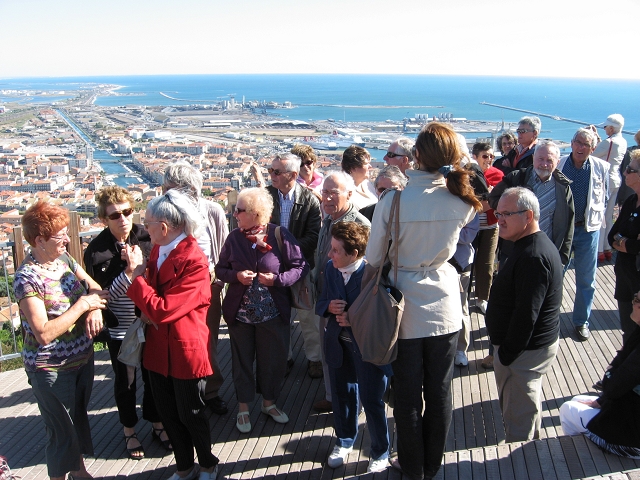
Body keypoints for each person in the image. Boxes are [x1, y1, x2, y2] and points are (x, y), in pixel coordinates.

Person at [367, 122, 481, 479]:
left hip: (404, 306)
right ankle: (432, 465)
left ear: (415, 155)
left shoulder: (393, 200)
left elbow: (373, 257)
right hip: (445, 303)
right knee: (440, 390)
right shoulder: (461, 201)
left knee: (407, 393)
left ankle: (412, 465)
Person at [126, 189, 219, 480]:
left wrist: (137, 277)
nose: (145, 228)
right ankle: (184, 467)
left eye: (148, 222)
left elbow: (163, 309)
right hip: (159, 348)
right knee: (168, 414)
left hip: (183, 349)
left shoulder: (194, 261)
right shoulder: (160, 249)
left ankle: (208, 464)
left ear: (164, 227)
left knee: (191, 414)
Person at [14, 201, 109, 480]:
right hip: (51, 368)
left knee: (76, 421)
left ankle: (79, 472)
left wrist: (93, 308)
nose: (67, 240)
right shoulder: (27, 278)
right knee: (60, 432)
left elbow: (94, 287)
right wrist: (82, 306)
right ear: (39, 240)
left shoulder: (63, 260)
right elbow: (43, 332)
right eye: (60, 236)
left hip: (81, 359)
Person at [83, 186, 169, 459]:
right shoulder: (97, 252)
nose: (123, 219)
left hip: (148, 321)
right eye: (115, 215)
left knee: (154, 376)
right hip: (120, 327)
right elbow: (104, 295)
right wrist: (131, 272)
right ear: (104, 219)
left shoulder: (147, 237)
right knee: (126, 382)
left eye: (127, 211)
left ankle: (156, 422)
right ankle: (129, 429)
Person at [215, 188, 308, 433]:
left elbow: (300, 266)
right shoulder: (234, 238)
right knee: (242, 362)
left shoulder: (279, 235)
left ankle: (269, 404)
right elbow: (220, 269)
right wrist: (236, 276)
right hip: (240, 316)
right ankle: (243, 408)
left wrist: (277, 280)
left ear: (256, 213)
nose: (234, 214)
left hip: (273, 314)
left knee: (273, 362)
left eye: (239, 210)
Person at [486, 187, 563, 442]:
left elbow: (527, 314)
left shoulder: (533, 256)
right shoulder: (527, 246)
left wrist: (507, 355)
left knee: (519, 423)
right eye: (498, 213)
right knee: (526, 413)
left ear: (528, 216)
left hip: (523, 354)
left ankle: (522, 461)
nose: (499, 220)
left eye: (506, 214)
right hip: (522, 351)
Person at [317, 222, 391, 473]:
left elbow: (383, 314)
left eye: (336, 250)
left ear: (354, 254)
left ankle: (380, 451)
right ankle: (344, 440)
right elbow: (321, 301)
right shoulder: (331, 269)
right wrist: (329, 307)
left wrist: (354, 319)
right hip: (338, 344)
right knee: (342, 395)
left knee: (372, 400)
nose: (330, 254)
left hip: (366, 348)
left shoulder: (373, 274)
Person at [162, 161, 229, 415]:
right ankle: (183, 393)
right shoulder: (165, 213)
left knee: (208, 341)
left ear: (189, 189)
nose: (164, 194)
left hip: (206, 288)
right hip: (174, 289)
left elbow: (223, 250)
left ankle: (210, 391)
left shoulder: (212, 211)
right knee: (179, 343)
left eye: (169, 189)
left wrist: (218, 283)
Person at [312, 171, 371, 413]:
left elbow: (367, 272)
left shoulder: (359, 225)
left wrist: (354, 311)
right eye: (324, 192)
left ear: (349, 194)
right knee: (330, 353)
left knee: (354, 357)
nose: (326, 198)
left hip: (350, 309)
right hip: (328, 300)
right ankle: (333, 396)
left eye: (333, 193)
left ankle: (355, 404)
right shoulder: (328, 219)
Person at [559, 290, 640, 458]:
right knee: (579, 400)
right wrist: (603, 399)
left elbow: (612, 386)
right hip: (631, 412)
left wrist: (613, 369)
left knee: (568, 409)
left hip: (632, 440)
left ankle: (583, 459)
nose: (633, 303)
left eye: (637, 299)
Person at [265, 153, 322, 379]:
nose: (272, 175)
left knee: (308, 316)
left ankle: (315, 359)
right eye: (270, 170)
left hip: (300, 267)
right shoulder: (266, 197)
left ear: (293, 175)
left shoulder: (309, 200)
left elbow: (313, 236)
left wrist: (288, 251)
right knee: (279, 316)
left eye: (277, 172)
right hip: (274, 267)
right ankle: (284, 357)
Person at [489, 140, 575, 267]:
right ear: (533, 158)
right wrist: (509, 211)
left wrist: (563, 258)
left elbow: (568, 223)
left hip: (546, 253)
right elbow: (493, 198)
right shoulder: (517, 178)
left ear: (557, 162)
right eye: (540, 159)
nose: (544, 164)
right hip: (514, 250)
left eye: (549, 160)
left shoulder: (563, 187)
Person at [559, 128, 610, 341]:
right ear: (572, 143)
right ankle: (549, 318)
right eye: (578, 142)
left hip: (588, 230)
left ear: (593, 148)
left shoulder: (601, 167)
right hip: (562, 230)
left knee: (587, 279)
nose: (581, 147)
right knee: (556, 275)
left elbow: (605, 196)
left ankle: (581, 322)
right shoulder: (560, 164)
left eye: (586, 145)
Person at [608, 150, 640, 346]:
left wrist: (624, 242)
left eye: (630, 169)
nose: (625, 172)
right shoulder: (630, 201)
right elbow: (612, 236)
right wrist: (627, 242)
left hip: (638, 281)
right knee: (628, 333)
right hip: (624, 277)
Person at [468, 142, 504, 316]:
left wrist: (483, 200)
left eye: (491, 156)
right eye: (485, 156)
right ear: (475, 157)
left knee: (487, 263)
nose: (489, 159)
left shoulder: (498, 175)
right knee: (468, 262)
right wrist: (488, 197)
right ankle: (465, 296)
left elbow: (497, 202)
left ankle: (483, 298)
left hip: (490, 225)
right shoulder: (467, 175)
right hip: (470, 227)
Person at [591, 114, 628, 262]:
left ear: (612, 128)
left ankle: (599, 250)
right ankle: (607, 248)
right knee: (608, 216)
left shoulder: (609, 142)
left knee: (600, 216)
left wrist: (593, 137)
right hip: (616, 179)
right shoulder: (623, 141)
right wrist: (598, 137)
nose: (605, 129)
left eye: (606, 127)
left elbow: (591, 155)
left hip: (604, 181)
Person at [451, 215, 480, 367]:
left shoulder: (469, 207)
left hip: (460, 264)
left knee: (461, 307)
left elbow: (468, 236)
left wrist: (443, 229)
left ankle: (460, 349)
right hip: (434, 264)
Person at [341, 145, 377, 209]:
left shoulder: (367, 184)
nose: (370, 166)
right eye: (366, 164)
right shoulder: (345, 191)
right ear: (353, 168)